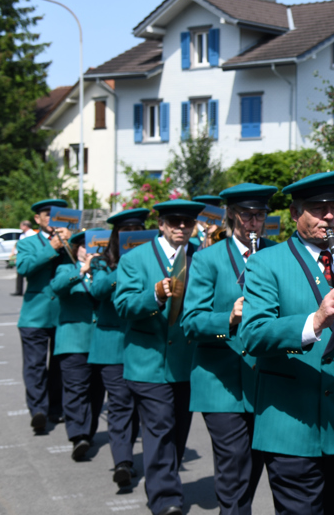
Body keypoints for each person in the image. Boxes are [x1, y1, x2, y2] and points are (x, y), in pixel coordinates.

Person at [240, 170, 334, 515]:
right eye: (318, 208)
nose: (330, 215)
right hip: (292, 424)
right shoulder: (265, 263)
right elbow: (252, 333)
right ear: (296, 213)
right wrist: (315, 321)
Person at [182, 184, 277, 515]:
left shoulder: (275, 252)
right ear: (232, 216)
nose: (255, 222)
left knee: (254, 463)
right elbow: (190, 321)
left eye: (260, 215)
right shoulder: (208, 259)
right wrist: (230, 317)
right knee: (233, 461)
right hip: (221, 382)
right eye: (248, 215)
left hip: (265, 379)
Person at [115, 199, 206, 515]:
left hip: (187, 360)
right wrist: (154, 295)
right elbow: (123, 306)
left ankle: (159, 477)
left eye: (188, 223)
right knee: (160, 426)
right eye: (175, 222)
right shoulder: (134, 258)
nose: (182, 228)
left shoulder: (202, 257)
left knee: (178, 431)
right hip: (147, 362)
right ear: (162, 225)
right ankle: (165, 498)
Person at [89, 208, 150, 489]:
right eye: (127, 233)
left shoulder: (150, 262)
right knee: (120, 402)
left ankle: (127, 456)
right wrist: (122, 267)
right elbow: (98, 290)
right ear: (117, 237)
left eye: (138, 232)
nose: (132, 238)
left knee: (138, 405)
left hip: (140, 343)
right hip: (111, 345)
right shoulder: (103, 262)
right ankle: (123, 461)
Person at [16, 199, 69, 433]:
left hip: (63, 315)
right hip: (35, 316)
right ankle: (38, 409)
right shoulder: (28, 242)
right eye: (47, 214)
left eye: (57, 214)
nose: (52, 218)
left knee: (60, 367)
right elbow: (24, 268)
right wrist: (52, 247)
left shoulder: (71, 241)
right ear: (37, 219)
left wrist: (68, 244)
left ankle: (56, 408)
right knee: (35, 366)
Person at [51, 229, 105, 460]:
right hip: (73, 341)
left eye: (92, 247)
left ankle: (88, 432)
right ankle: (78, 435)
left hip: (100, 342)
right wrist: (82, 271)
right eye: (83, 246)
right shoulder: (66, 269)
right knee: (75, 390)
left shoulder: (103, 272)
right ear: (76, 250)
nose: (88, 250)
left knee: (95, 392)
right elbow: (58, 286)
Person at [12, 219, 34, 296]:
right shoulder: (22, 235)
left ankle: (32, 291)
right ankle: (19, 291)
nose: (20, 227)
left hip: (29, 256)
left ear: (26, 226)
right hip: (21, 256)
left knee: (31, 275)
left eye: (21, 225)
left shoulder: (32, 234)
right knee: (19, 273)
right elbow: (18, 246)